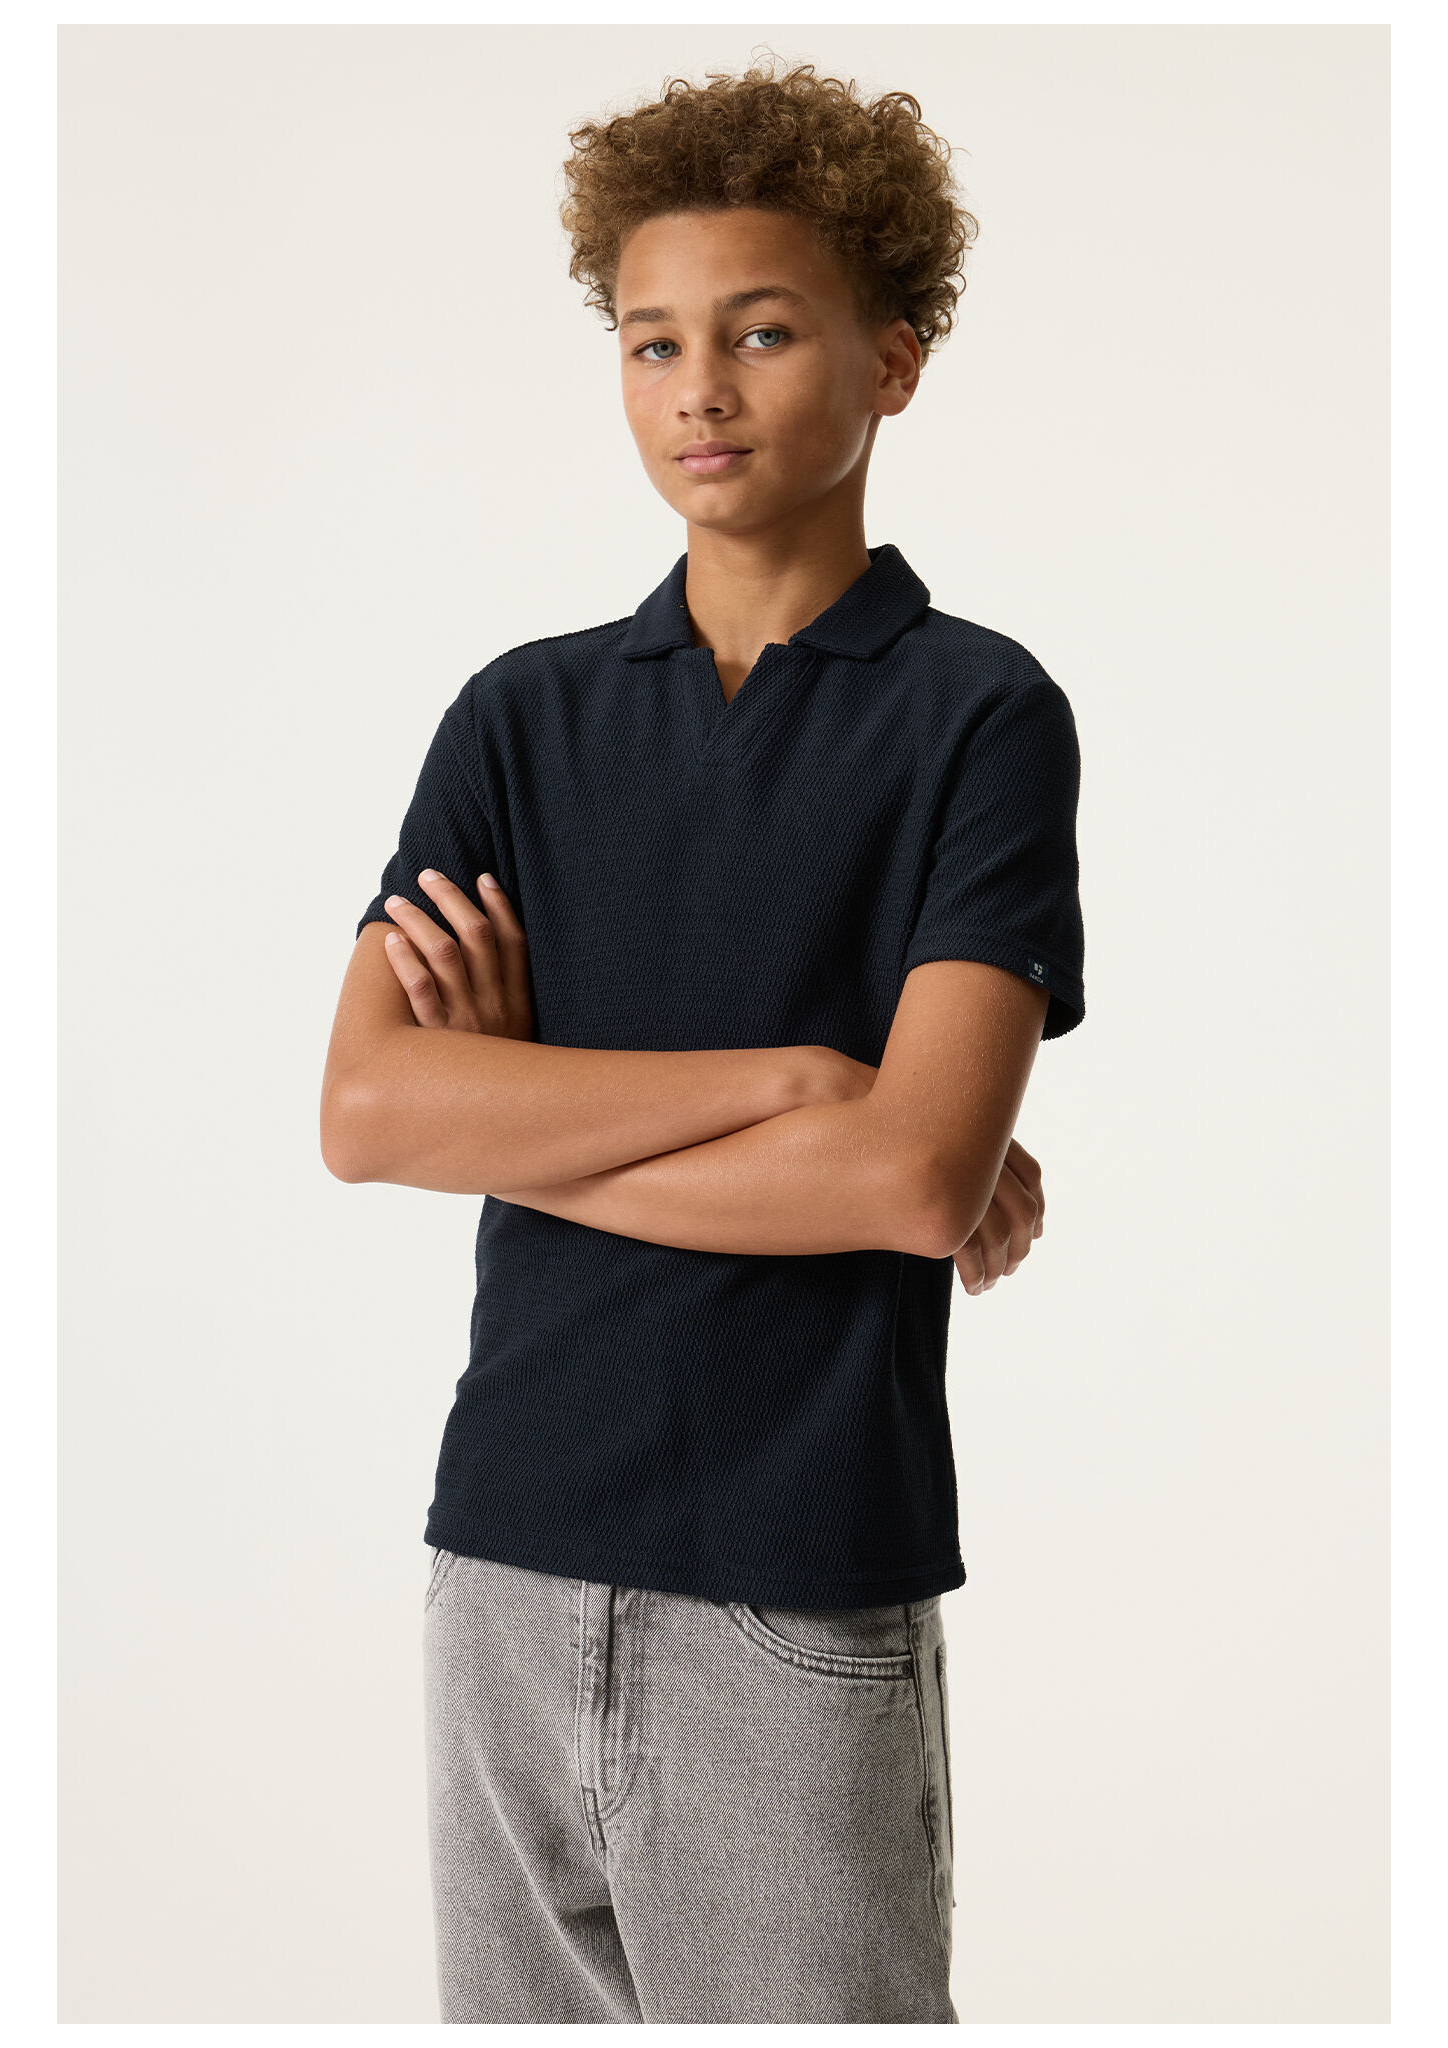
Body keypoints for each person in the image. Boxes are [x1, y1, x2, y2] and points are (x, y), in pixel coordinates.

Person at [321, 55, 1085, 2026]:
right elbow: (370, 1109)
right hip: (499, 1559)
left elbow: (912, 1179)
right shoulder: (521, 716)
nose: (698, 390)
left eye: (760, 332)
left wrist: (521, 1112)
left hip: (791, 1580)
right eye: (652, 341)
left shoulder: (977, 716)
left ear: (893, 359)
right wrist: (797, 1083)